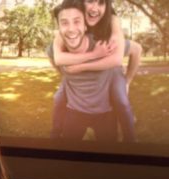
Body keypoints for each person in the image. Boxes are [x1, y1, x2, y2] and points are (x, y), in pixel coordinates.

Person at [50, 0, 142, 142]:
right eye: (90, 1)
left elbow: (121, 57)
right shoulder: (72, 17)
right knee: (58, 98)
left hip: (110, 64)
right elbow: (56, 56)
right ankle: (55, 136)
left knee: (121, 100)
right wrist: (67, 74)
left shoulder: (111, 20)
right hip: (82, 64)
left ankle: (131, 141)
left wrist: (127, 80)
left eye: (101, 3)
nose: (95, 8)